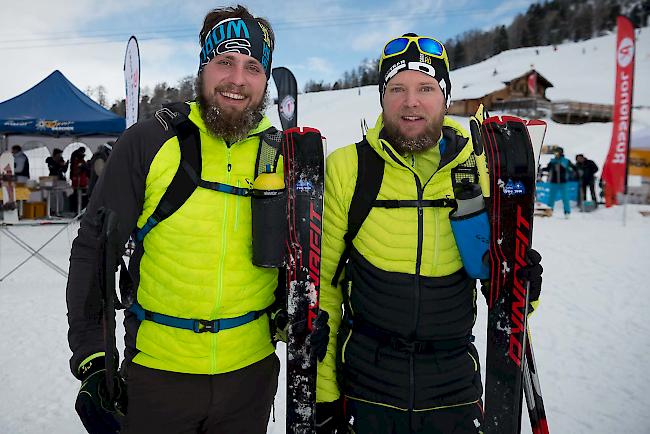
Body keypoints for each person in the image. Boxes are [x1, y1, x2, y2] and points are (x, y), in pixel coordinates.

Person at [66, 6, 282, 433]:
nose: (237, 80)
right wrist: (93, 356)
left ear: (265, 78)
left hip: (251, 379)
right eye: (224, 62)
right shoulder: (150, 140)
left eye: (252, 67)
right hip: (158, 377)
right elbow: (94, 249)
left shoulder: (280, 154)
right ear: (202, 69)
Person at [314, 34, 543, 433]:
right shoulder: (349, 169)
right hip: (368, 384)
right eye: (397, 88)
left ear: (445, 96)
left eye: (426, 88)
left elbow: (506, 296)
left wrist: (524, 285)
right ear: (383, 98)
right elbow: (324, 292)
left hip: (453, 385)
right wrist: (323, 395)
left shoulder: (482, 167)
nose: (411, 101)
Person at [542, 147, 576, 217]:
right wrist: (541, 169)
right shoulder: (552, 161)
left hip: (564, 183)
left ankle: (567, 212)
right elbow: (548, 168)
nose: (556, 154)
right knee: (551, 197)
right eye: (555, 152)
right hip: (554, 182)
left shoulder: (566, 161)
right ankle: (549, 211)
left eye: (557, 152)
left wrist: (568, 169)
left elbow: (573, 168)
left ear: (561, 153)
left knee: (565, 198)